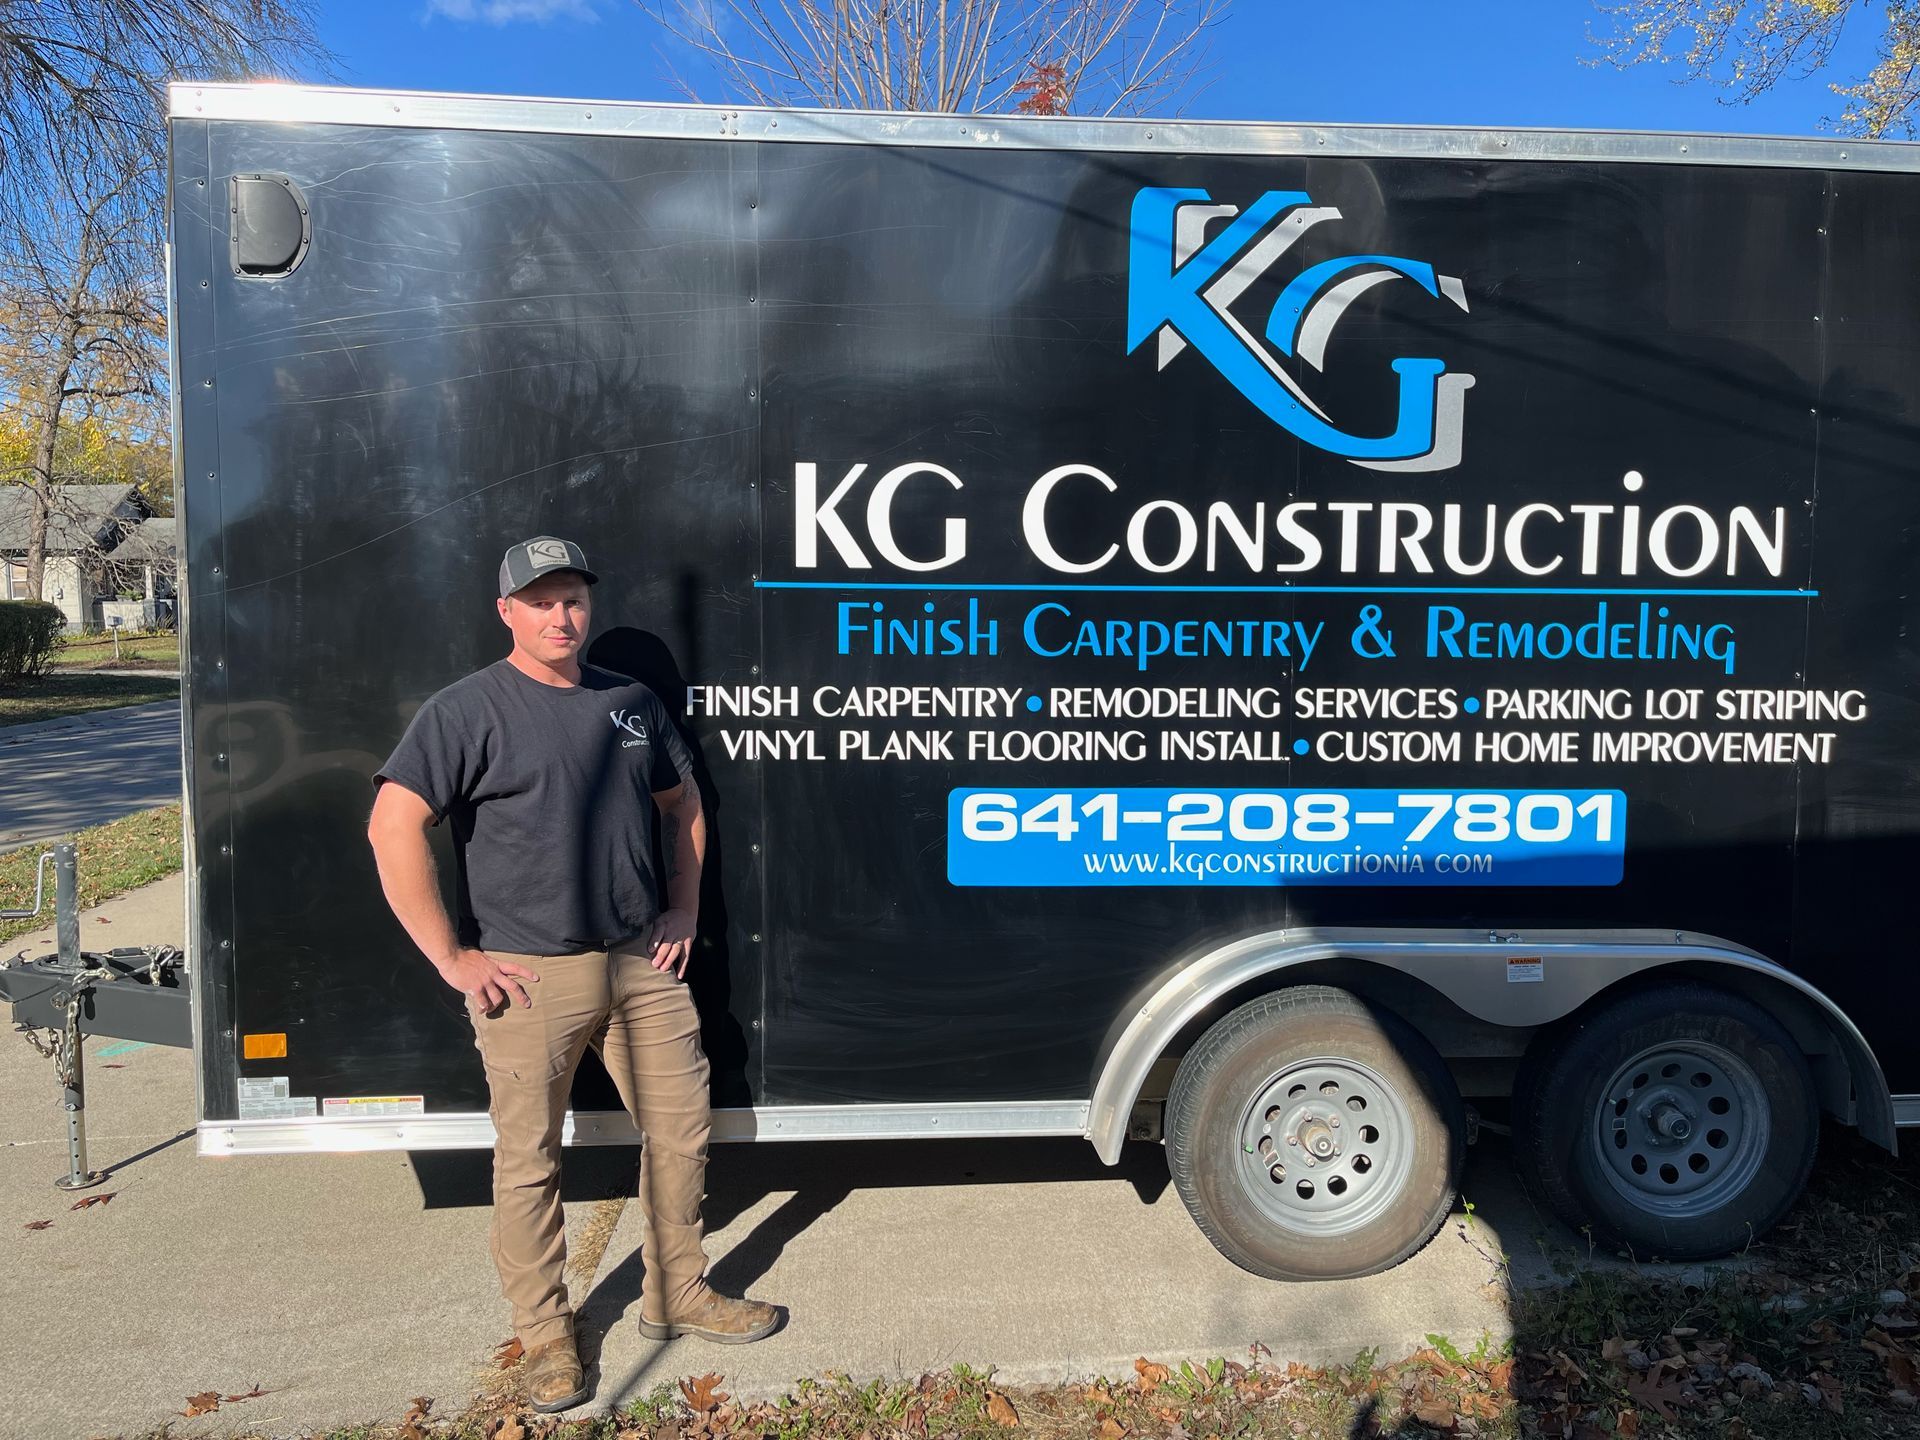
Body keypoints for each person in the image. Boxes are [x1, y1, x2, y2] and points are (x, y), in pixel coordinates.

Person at [366, 536, 778, 1415]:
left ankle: (678, 1293)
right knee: (529, 1162)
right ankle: (549, 1333)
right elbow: (391, 828)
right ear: (507, 611)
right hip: (528, 977)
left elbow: (686, 805)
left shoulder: (628, 702)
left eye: (574, 599)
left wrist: (683, 908)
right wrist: (453, 958)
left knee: (683, 1131)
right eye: (542, 600)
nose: (562, 615)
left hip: (640, 961)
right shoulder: (465, 710)